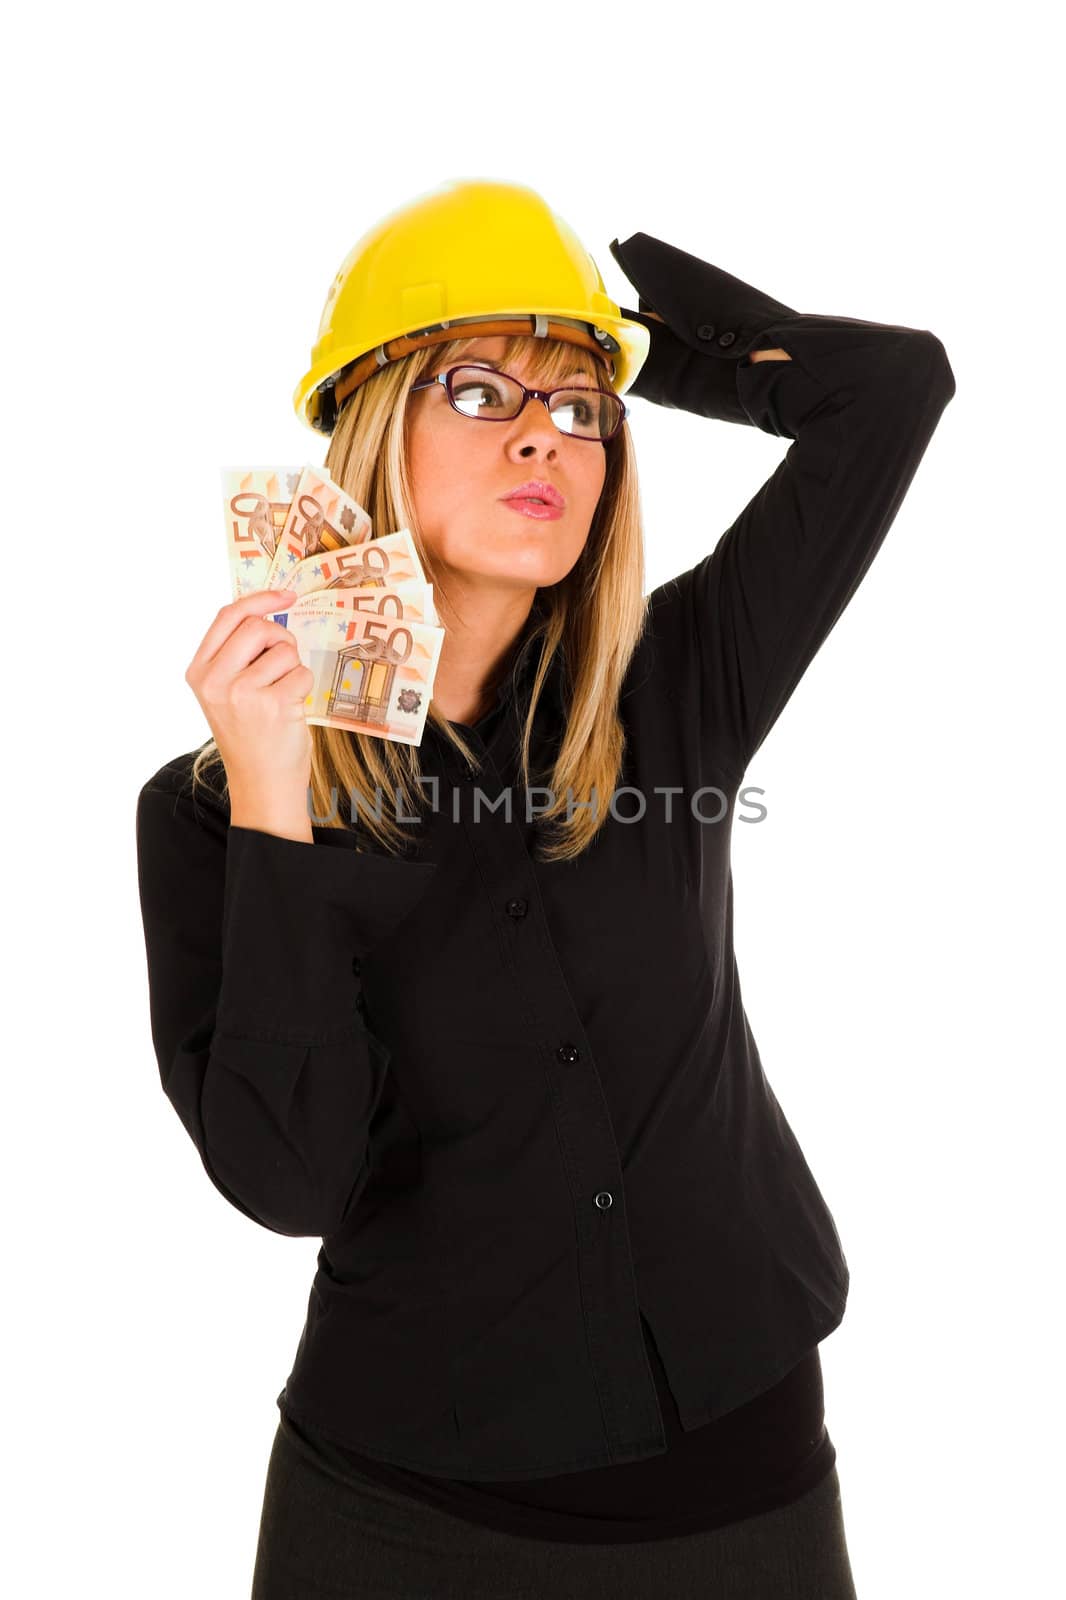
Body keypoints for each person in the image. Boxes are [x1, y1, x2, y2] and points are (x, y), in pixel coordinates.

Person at [135, 178, 955, 1598]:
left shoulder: (672, 694)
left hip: (739, 1479)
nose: (543, 433)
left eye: (579, 408)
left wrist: (662, 358)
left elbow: (892, 388)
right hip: (404, 1517)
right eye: (480, 388)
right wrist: (279, 805)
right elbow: (288, 1181)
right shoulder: (210, 813)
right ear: (368, 428)